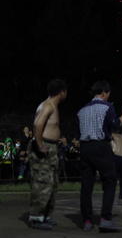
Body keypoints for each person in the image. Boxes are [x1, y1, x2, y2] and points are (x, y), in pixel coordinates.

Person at [77, 81, 122, 232]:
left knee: (86, 186)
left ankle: (87, 221)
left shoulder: (81, 110)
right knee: (110, 181)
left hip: (85, 148)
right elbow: (115, 124)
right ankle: (105, 219)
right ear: (103, 93)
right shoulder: (107, 107)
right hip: (101, 147)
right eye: (108, 94)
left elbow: (79, 133)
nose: (108, 97)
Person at [29, 79, 67, 230]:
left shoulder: (52, 106)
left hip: (50, 147)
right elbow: (38, 124)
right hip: (44, 147)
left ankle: (44, 215)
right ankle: (36, 218)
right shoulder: (48, 105)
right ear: (62, 92)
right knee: (42, 182)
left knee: (52, 183)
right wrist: (40, 145)